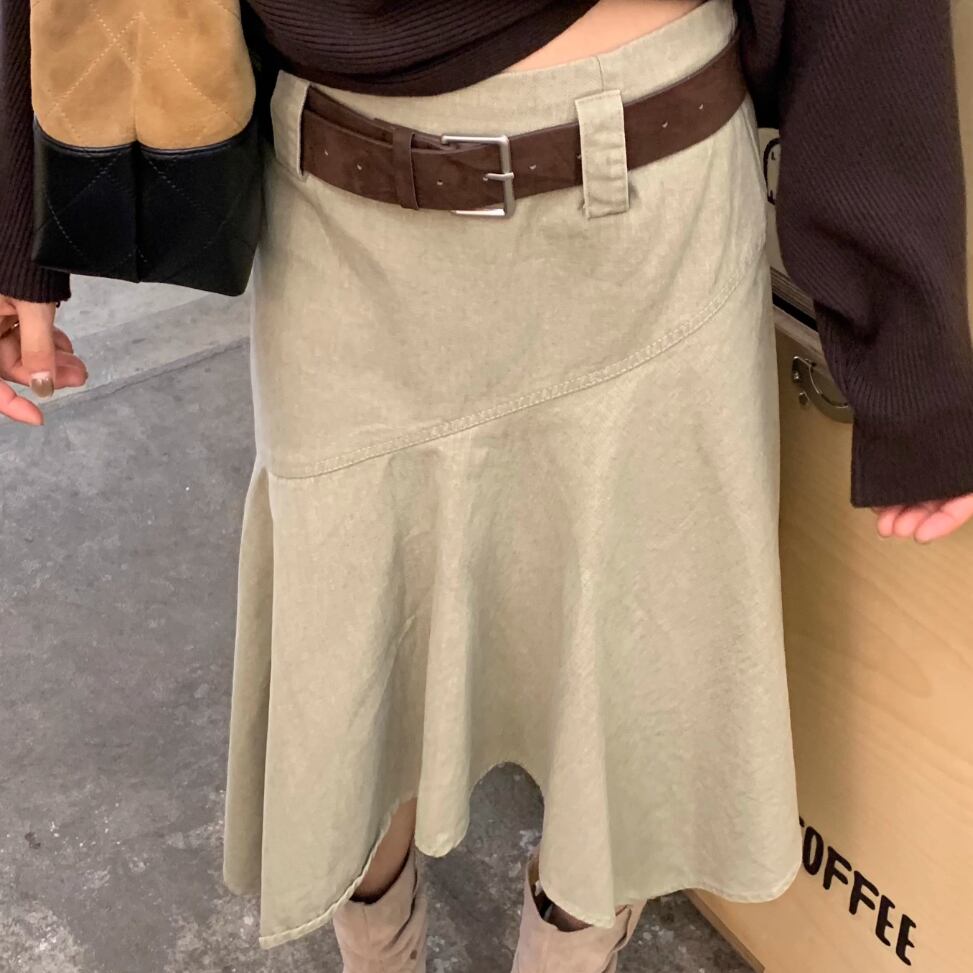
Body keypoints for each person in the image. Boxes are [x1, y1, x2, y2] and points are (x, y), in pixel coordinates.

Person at [2, 1, 972, 970]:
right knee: (350, 664)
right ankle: (376, 947)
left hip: (646, 216)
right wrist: (20, 220)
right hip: (344, 214)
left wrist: (909, 345)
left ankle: (572, 949)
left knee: (628, 669)